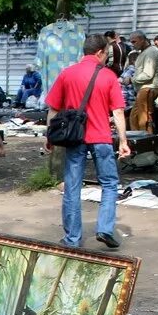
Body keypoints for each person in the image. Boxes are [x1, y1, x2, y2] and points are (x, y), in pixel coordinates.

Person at [45, 33, 130, 250]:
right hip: (101, 137)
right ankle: (104, 228)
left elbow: (53, 109)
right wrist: (123, 141)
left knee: (72, 187)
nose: (107, 59)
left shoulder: (67, 74)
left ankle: (72, 239)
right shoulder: (109, 76)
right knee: (109, 183)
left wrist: (50, 137)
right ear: (100, 52)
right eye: (107, 54)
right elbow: (118, 111)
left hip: (75, 138)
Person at [128, 31, 158, 132]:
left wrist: (131, 79)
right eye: (131, 42)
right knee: (135, 117)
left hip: (148, 89)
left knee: (143, 119)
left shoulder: (150, 52)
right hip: (144, 89)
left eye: (134, 41)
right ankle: (140, 141)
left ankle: (145, 142)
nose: (132, 44)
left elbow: (148, 74)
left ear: (142, 39)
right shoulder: (145, 52)